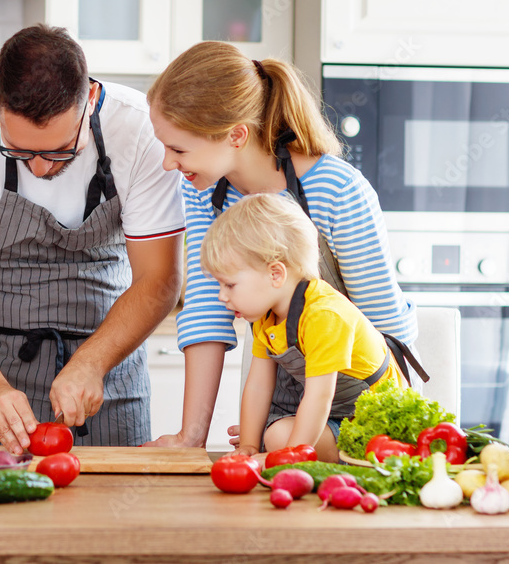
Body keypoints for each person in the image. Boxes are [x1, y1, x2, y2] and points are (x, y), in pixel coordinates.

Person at [0, 25, 185, 454]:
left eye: (58, 152)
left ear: (90, 100)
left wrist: (91, 363)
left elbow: (160, 279)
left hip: (106, 374)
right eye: (18, 151)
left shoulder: (140, 131)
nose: (37, 169)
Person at [145, 41, 419, 449]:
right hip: (290, 390)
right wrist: (191, 438)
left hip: (362, 392)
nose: (168, 164)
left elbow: (385, 325)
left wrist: (388, 429)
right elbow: (206, 309)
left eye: (178, 149)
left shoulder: (336, 190)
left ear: (236, 135)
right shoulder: (205, 193)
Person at [201, 193, 407, 463]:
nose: (222, 296)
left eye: (229, 285)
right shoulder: (265, 317)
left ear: (276, 274)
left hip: (376, 427)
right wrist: (250, 446)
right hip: (336, 418)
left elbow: (319, 396)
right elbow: (258, 386)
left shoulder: (324, 315)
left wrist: (287, 457)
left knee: (279, 441)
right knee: (274, 436)